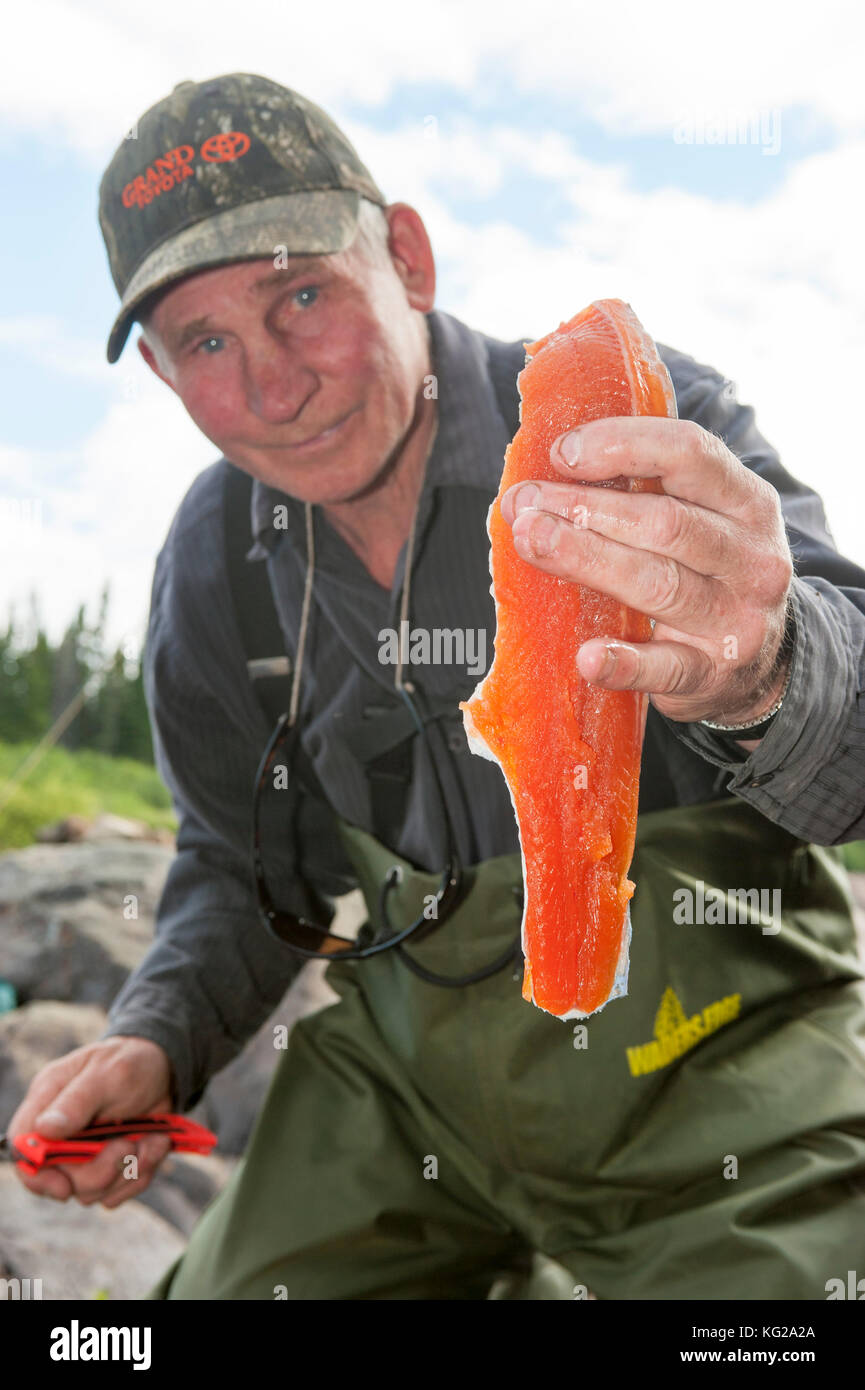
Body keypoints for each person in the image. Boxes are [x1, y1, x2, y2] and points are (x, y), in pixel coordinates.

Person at [9, 72, 865, 1301]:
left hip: (739, 1090)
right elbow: (241, 868)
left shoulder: (628, 427)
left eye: (300, 295)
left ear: (406, 257)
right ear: (156, 371)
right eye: (206, 342)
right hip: (407, 1101)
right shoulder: (212, 567)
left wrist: (770, 668)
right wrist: (159, 1038)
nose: (271, 385)